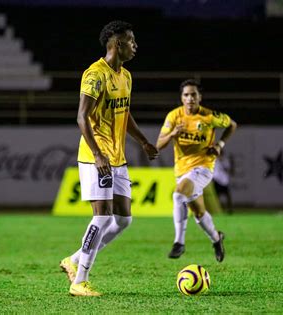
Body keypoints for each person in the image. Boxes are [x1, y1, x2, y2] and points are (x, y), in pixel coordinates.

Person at [59, 20, 159, 297]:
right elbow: (81, 117)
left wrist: (143, 141)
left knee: (124, 220)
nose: (135, 45)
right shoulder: (94, 75)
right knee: (101, 217)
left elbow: (124, 113)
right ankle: (80, 280)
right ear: (116, 44)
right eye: (131, 41)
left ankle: (74, 259)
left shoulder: (126, 76)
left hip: (117, 157)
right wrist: (98, 153)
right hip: (96, 156)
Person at [156, 79, 237, 260]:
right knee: (199, 213)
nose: (190, 98)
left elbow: (232, 124)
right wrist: (172, 135)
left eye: (194, 94)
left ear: (200, 97)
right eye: (186, 95)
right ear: (181, 98)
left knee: (178, 195)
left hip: (203, 167)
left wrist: (220, 144)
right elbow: (159, 144)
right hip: (182, 171)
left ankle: (179, 243)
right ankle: (217, 238)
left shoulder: (209, 116)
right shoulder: (174, 117)